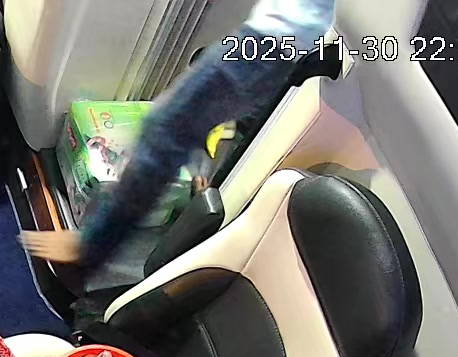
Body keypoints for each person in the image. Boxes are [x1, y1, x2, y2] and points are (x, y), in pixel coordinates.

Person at [20, 0, 337, 269]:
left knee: (165, 133)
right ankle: (316, 58)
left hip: (276, 38)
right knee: (217, 115)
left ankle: (92, 247)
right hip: (289, 35)